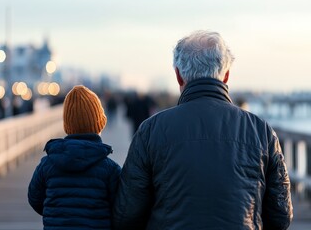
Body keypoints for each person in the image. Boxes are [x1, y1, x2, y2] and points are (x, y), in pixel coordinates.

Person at [113, 30, 293, 229]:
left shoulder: (151, 130)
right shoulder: (262, 132)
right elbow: (281, 215)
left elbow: (126, 214)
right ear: (226, 76)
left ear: (179, 76)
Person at [28, 85, 121, 230]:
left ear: (67, 125)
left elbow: (35, 199)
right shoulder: (110, 168)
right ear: (98, 126)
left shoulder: (47, 164)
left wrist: (55, 212)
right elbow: (120, 207)